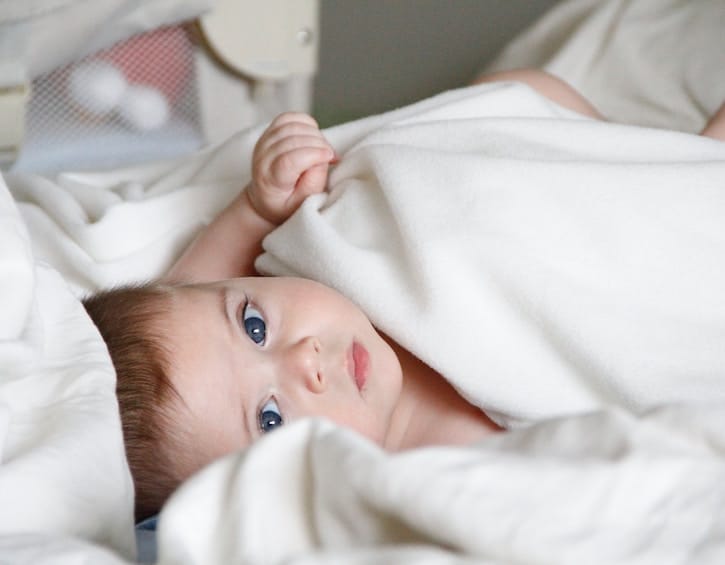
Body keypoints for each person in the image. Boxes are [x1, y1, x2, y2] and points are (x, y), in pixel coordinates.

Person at [82, 69, 725, 522]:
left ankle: (674, 168)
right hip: (663, 310)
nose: (304, 358)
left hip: (590, 221)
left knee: (532, 91)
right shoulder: (431, 480)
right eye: (270, 418)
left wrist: (258, 205)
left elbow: (191, 288)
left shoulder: (342, 271)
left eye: (255, 325)